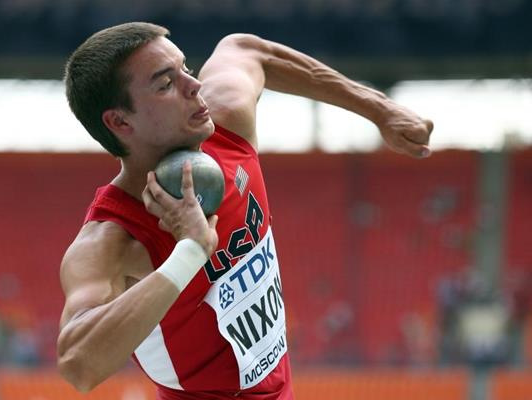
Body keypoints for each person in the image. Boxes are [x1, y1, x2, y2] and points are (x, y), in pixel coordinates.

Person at [57, 22, 433, 399]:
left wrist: (380, 109)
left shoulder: (226, 126)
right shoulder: (113, 240)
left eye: (185, 68)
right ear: (120, 122)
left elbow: (249, 50)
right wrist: (190, 253)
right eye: (165, 84)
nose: (194, 85)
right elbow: (78, 365)